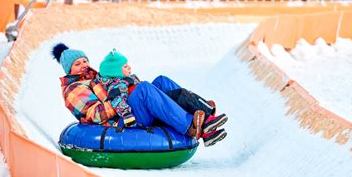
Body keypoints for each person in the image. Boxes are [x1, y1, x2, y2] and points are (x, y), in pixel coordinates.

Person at [52, 43, 227, 147]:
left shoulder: (96, 77)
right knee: (143, 89)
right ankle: (191, 125)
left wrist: (125, 84)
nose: (83, 65)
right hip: (120, 121)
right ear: (69, 70)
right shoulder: (74, 89)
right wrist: (121, 98)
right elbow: (94, 115)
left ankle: (205, 122)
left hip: (126, 108)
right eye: (77, 64)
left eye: (84, 61)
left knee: (161, 81)